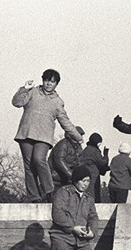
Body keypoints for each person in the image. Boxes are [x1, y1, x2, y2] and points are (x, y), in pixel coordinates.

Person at [12, 69, 83, 203]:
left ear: (56, 84)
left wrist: (77, 136)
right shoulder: (32, 92)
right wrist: (24, 89)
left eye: (52, 82)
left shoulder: (57, 101)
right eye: (46, 80)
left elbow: (65, 121)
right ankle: (34, 197)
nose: (49, 84)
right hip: (26, 133)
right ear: (42, 80)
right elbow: (16, 103)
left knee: (39, 160)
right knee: (28, 166)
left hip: (43, 137)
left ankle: (49, 191)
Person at [49, 126, 85, 190]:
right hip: (56, 177)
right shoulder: (63, 144)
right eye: (80, 135)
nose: (81, 138)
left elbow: (80, 161)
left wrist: (79, 174)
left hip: (67, 179)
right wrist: (71, 175)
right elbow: (60, 161)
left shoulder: (78, 147)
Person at [80, 133, 110, 202]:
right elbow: (102, 163)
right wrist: (106, 155)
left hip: (86, 174)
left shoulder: (86, 149)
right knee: (94, 194)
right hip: (93, 175)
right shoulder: (94, 150)